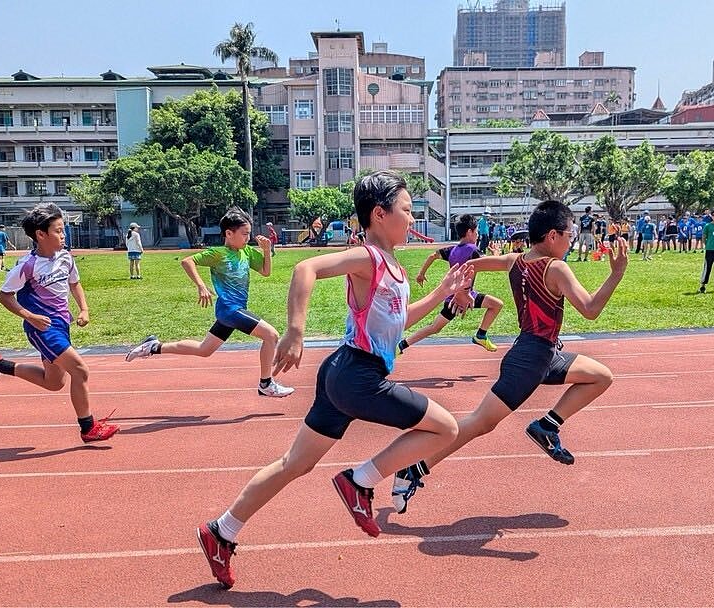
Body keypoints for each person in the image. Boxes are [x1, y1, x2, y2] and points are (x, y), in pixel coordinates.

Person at [194, 171, 471, 588]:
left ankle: (222, 530)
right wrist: (295, 330)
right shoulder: (368, 258)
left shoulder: (392, 266)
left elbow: (395, 325)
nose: (413, 220)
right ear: (380, 214)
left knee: (295, 464)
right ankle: (359, 481)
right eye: (408, 211)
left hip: (341, 374)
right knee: (446, 428)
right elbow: (306, 268)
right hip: (358, 376)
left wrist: (440, 295)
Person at [390, 200, 627, 515]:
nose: (571, 241)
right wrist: (616, 274)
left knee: (600, 376)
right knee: (479, 423)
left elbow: (473, 264)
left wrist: (461, 287)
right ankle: (413, 468)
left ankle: (547, 425)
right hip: (530, 359)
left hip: (542, 353)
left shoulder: (517, 260)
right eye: (569, 235)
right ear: (553, 236)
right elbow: (591, 310)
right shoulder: (556, 267)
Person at [0, 203, 118, 443]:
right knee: (80, 370)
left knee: (54, 383)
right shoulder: (27, 266)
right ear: (41, 234)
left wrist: (84, 309)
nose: (64, 235)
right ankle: (88, 428)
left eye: (63, 230)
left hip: (62, 325)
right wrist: (29, 316)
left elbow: (74, 283)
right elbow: (4, 296)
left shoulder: (66, 257)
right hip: (43, 329)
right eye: (58, 231)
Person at [124, 207, 294, 398]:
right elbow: (187, 261)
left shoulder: (246, 252)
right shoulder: (218, 253)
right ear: (229, 233)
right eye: (245, 234)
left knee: (204, 350)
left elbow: (265, 271)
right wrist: (201, 286)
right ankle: (266, 383)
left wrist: (266, 251)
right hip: (230, 310)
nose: (248, 238)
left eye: (249, 234)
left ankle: (153, 347)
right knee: (271, 335)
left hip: (232, 312)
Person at [398, 214, 503, 354]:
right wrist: (496, 253)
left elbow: (432, 256)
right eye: (476, 232)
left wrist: (421, 274)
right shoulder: (473, 250)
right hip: (463, 296)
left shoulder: (452, 250)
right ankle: (481, 335)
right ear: (470, 232)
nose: (478, 235)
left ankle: (402, 345)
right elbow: (491, 264)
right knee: (497, 305)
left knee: (434, 327)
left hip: (453, 296)